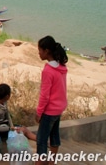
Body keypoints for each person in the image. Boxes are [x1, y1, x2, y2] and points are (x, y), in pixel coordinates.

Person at [35, 35, 68, 165]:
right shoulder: (61, 67)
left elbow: (45, 95)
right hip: (59, 108)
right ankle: (51, 162)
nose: (39, 53)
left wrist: (39, 112)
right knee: (54, 137)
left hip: (49, 110)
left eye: (40, 50)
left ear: (47, 51)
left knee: (41, 140)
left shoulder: (48, 70)